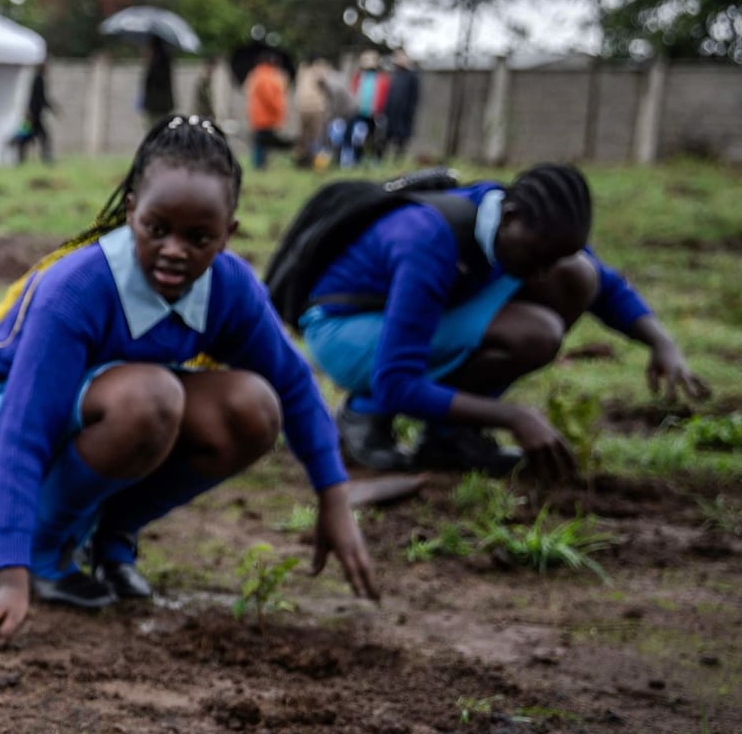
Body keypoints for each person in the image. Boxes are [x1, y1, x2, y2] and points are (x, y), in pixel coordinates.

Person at [0, 115, 377, 642]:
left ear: (227, 236)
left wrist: (333, 498)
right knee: (150, 398)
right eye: (157, 229)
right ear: (131, 214)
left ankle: (112, 536)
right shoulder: (78, 288)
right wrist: (12, 575)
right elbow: (24, 427)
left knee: (254, 408)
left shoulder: (229, 289)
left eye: (199, 237)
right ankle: (46, 549)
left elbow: (296, 388)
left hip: (99, 409)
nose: (174, 250)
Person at [301, 164, 706, 476]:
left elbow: (605, 285)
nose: (541, 274)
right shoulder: (429, 242)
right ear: (509, 218)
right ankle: (365, 412)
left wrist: (660, 342)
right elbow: (397, 382)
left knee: (579, 275)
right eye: (536, 258)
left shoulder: (518, 225)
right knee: (533, 333)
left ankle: (449, 438)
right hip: (342, 330)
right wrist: (514, 416)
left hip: (405, 320)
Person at [244, 53, 290, 169]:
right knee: (263, 142)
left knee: (260, 142)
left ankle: (259, 164)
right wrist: (278, 111)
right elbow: (270, 97)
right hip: (267, 116)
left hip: (258, 115)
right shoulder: (267, 76)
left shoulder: (256, 75)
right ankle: (260, 165)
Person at [293, 58, 334, 166]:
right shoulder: (303, 70)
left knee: (315, 136)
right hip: (305, 108)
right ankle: (302, 161)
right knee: (304, 137)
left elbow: (325, 83)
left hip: (315, 108)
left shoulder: (318, 70)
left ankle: (314, 162)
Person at [383, 48, 420, 162]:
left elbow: (414, 96)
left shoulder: (412, 76)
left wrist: (410, 111)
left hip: (404, 113)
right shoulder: (395, 74)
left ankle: (398, 160)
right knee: (387, 137)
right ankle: (384, 159)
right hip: (392, 112)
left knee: (402, 138)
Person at [13, 68, 54, 163]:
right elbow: (39, 98)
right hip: (33, 117)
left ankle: (44, 158)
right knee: (31, 137)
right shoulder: (38, 79)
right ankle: (45, 159)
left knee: (33, 138)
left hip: (34, 116)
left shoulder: (36, 78)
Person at [141, 37, 175, 129]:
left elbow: (155, 83)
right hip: (160, 105)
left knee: (155, 129)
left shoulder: (159, 64)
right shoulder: (163, 61)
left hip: (157, 106)